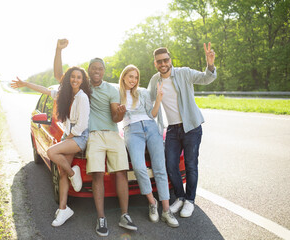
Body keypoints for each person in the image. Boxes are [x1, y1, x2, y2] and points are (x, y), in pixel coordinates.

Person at [54, 39, 137, 237]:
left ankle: (125, 215)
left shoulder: (111, 89)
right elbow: (59, 75)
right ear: (88, 71)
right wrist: (58, 50)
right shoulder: (83, 87)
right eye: (93, 68)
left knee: (121, 172)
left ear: (104, 71)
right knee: (98, 175)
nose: (97, 71)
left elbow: (115, 116)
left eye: (100, 68)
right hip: (93, 136)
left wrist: (121, 113)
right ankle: (101, 217)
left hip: (112, 133)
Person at [11, 66, 91, 227]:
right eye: (73, 77)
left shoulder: (83, 97)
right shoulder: (65, 95)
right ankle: (63, 209)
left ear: (83, 81)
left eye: (79, 77)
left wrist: (67, 137)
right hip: (68, 135)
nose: (75, 80)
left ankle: (73, 173)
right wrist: (25, 83)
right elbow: (45, 90)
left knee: (51, 151)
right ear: (69, 78)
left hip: (79, 136)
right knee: (62, 174)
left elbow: (81, 125)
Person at [147, 42, 217, 218]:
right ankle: (180, 196)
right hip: (172, 129)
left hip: (191, 127)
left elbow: (206, 78)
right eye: (159, 61)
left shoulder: (184, 72)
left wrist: (210, 64)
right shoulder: (155, 80)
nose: (163, 64)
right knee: (171, 165)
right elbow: (148, 102)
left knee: (191, 165)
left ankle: (190, 201)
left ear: (170, 60)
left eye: (165, 60)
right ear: (155, 63)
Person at [118, 64, 179, 228]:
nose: (133, 80)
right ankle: (152, 202)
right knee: (138, 167)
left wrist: (158, 100)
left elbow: (152, 114)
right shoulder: (117, 95)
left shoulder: (143, 92)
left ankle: (166, 210)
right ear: (123, 77)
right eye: (130, 76)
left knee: (160, 167)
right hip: (132, 130)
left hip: (151, 128)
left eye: (136, 77)